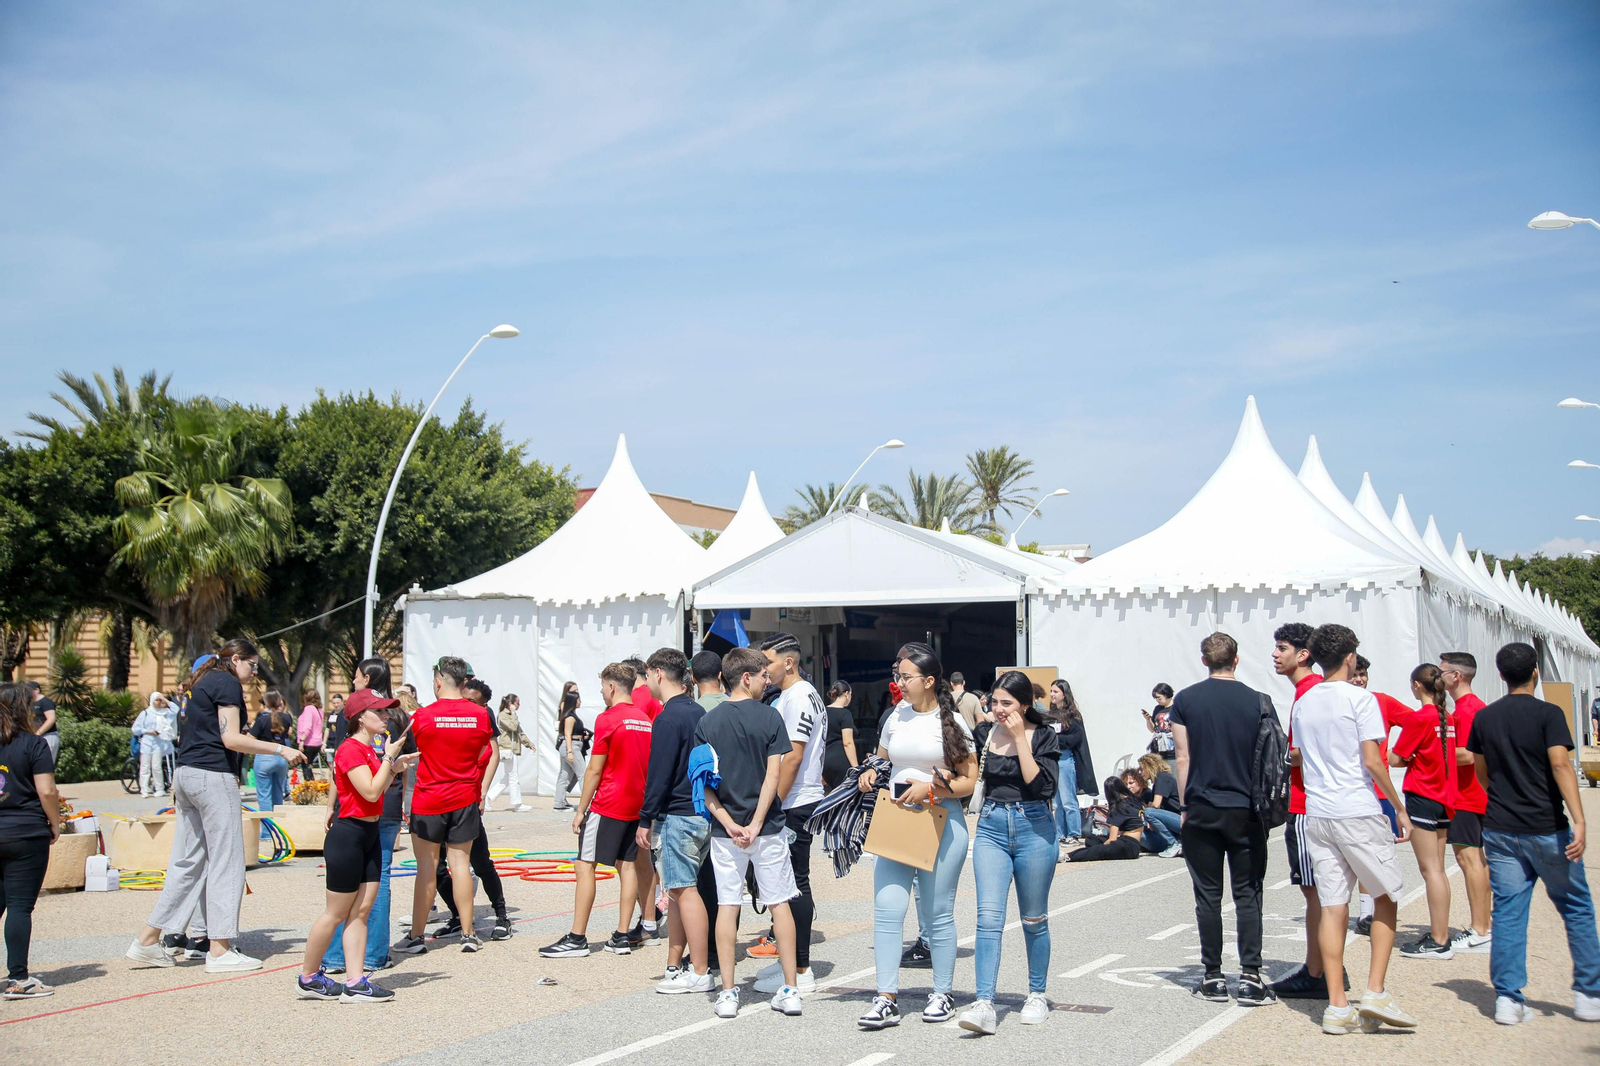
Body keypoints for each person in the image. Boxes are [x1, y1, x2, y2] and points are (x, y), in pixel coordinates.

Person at [126, 640, 305, 973]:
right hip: (211, 776)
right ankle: (220, 950)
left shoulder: (201, 682)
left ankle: (148, 939)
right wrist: (280, 750)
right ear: (235, 659)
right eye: (252, 665)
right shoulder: (226, 682)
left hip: (186, 775)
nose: (255, 672)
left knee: (188, 862)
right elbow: (231, 739)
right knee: (227, 860)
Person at [1292, 623, 1416, 1035]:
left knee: (1333, 905)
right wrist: (1398, 808)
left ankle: (1336, 1004)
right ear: (1350, 658)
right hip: (1357, 809)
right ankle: (1376, 990)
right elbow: (1373, 760)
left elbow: (1298, 755)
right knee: (1385, 896)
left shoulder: (1304, 702)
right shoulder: (1361, 699)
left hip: (1319, 811)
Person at [1467, 642, 1600, 1026]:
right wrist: (1579, 817)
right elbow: (1560, 764)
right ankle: (1588, 992)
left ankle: (1508, 998)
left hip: (1500, 826)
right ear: (1536, 672)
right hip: (1545, 826)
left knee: (1508, 911)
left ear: (1501, 675)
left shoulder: (1486, 717)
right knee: (1575, 906)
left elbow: (1481, 771)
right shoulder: (1549, 713)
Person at [857, 642, 977, 1029]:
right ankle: (885, 996)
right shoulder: (896, 716)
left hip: (941, 821)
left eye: (906, 677)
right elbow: (882, 759)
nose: (900, 682)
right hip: (896, 820)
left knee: (937, 912)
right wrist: (870, 773)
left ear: (928, 681)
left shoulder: (952, 722)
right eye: (898, 675)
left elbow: (969, 781)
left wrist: (930, 788)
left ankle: (942, 992)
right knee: (887, 910)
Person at [693, 647, 802, 1018]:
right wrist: (756, 823)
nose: (766, 681)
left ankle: (727, 991)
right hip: (766, 827)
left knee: (727, 905)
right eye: (762, 675)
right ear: (745, 677)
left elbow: (703, 785)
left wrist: (727, 821)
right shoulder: (771, 718)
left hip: (726, 832)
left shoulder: (707, 722)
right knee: (779, 902)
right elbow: (774, 775)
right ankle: (790, 988)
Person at [1170, 632, 1276, 1007]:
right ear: (1236, 659)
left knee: (1208, 896)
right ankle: (1250, 975)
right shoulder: (1259, 701)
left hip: (1201, 806)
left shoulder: (1184, 700)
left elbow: (1181, 757)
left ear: (1204, 660)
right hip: (1246, 807)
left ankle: (1213, 975)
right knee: (1248, 893)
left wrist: (1184, 807)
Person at [958, 670, 1059, 1034]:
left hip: (1035, 826)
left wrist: (1019, 738)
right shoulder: (984, 733)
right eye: (994, 701)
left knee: (1034, 918)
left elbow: (1043, 786)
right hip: (991, 827)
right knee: (988, 918)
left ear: (1025, 705)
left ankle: (1037, 993)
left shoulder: (1044, 736)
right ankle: (984, 1001)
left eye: (1007, 703)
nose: (998, 710)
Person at [296, 693, 413, 1002]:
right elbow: (371, 791)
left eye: (387, 712)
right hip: (348, 836)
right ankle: (308, 977)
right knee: (336, 913)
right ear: (361, 716)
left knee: (361, 910)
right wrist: (389, 759)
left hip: (370, 833)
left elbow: (378, 788)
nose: (386, 717)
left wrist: (395, 765)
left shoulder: (368, 749)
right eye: (379, 711)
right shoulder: (350, 749)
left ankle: (356, 981)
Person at [541, 662, 653, 958]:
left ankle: (577, 938)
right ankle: (621, 934)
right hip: (636, 804)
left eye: (603, 686)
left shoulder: (609, 718)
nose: (602, 692)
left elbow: (593, 769)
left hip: (609, 802)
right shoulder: (644, 719)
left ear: (613, 687)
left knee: (584, 864)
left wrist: (581, 809)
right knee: (627, 866)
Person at [397, 656, 495, 956]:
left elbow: (407, 752)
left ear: (439, 681)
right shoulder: (480, 715)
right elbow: (485, 750)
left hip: (429, 799)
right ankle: (468, 933)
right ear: (464, 682)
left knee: (426, 869)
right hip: (464, 797)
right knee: (461, 865)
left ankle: (416, 937)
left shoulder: (423, 716)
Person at [326, 658, 413, 975]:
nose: (353, 680)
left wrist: (331, 806)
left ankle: (351, 958)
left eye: (356, 676)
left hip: (374, 806)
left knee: (364, 889)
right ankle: (362, 956)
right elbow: (348, 767)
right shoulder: (393, 716)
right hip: (374, 806)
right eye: (379, 711)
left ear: (365, 678)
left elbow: (395, 766)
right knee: (358, 890)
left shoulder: (361, 715)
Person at [751, 633, 828, 993]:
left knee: (796, 883)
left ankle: (800, 968)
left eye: (767, 662)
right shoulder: (792, 695)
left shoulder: (798, 697)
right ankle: (790, 962)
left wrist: (771, 807)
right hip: (794, 799)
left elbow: (793, 757)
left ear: (789, 662)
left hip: (795, 801)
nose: (763, 671)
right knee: (785, 882)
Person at [636, 648, 714, 994]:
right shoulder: (699, 711)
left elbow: (659, 773)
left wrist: (645, 817)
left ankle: (699, 969)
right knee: (681, 891)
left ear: (657, 674)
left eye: (647, 676)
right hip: (701, 811)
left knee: (684, 890)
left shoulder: (668, 718)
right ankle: (676, 962)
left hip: (679, 815)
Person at [1269, 621, 1338, 1000]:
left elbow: (1301, 754)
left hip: (1307, 803)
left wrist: (1283, 755)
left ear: (1303, 654)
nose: (1275, 654)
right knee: (1323, 892)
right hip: (1319, 803)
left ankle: (1318, 972)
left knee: (1316, 893)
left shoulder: (1309, 692)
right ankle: (1324, 967)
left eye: (1282, 647)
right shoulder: (1312, 691)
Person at [0, 682, 63, 999]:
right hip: (26, 831)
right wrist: (55, 823)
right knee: (19, 908)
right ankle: (18, 979)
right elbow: (47, 791)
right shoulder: (32, 744)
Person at [1392, 663, 1458, 961]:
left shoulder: (1421, 718)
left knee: (1429, 870)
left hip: (1422, 795)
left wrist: (1410, 757)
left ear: (1417, 685)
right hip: (1444, 797)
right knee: (1438, 869)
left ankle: (1439, 939)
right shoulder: (1448, 717)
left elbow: (1396, 758)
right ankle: (1439, 932)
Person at [1439, 652, 1492, 956]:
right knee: (1475, 861)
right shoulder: (1469, 707)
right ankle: (1482, 925)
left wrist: (1431, 750)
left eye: (1443, 671)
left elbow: (1469, 754)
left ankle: (1480, 929)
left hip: (1468, 796)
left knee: (1470, 861)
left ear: (1456, 676)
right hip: (1472, 796)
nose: (1440, 675)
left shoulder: (1468, 710)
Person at [1050, 679, 1094, 850]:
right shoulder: (1050, 715)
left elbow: (1076, 738)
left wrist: (1056, 739)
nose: (1052, 695)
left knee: (1068, 799)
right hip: (1053, 759)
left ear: (1064, 694)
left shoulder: (1073, 716)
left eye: (1055, 691)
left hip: (1066, 759)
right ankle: (1060, 833)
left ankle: (1074, 833)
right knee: (1056, 802)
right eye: (1051, 691)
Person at [250, 690, 298, 825]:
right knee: (278, 794)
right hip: (281, 757)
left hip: (264, 757)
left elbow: (251, 739)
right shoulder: (287, 718)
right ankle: (279, 828)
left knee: (264, 797)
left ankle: (266, 832)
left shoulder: (261, 719)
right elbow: (289, 732)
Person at [1067, 777, 1144, 861]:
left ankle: (1068, 856)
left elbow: (1112, 839)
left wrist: (1103, 847)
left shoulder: (1119, 806)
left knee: (1098, 850)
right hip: (1135, 843)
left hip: (1128, 846)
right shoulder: (1134, 800)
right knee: (1091, 839)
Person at [487, 693, 534, 813]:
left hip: (512, 749)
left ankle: (488, 797)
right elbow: (513, 727)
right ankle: (517, 803)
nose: (519, 705)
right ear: (510, 704)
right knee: (513, 777)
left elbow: (520, 732)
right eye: (517, 703)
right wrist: (513, 714)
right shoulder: (503, 715)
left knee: (508, 777)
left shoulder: (513, 716)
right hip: (506, 749)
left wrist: (529, 744)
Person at [1136, 753, 1183, 857]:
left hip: (1182, 820)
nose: (1139, 772)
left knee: (1149, 813)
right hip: (1174, 823)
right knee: (1140, 832)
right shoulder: (1156, 783)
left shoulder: (1162, 777)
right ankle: (1172, 844)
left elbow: (1155, 805)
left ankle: (1173, 843)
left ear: (1150, 766)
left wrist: (1147, 815)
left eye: (1141, 768)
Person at [132, 692, 173, 797]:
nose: (158, 702)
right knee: (145, 766)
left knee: (156, 766)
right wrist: (148, 731)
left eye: (160, 700)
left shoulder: (164, 713)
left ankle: (159, 788)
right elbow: (135, 729)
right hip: (146, 742)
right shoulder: (145, 713)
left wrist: (164, 699)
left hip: (158, 743)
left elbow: (175, 709)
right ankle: (144, 789)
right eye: (156, 700)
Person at [822, 680, 859, 791]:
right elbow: (847, 743)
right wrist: (856, 767)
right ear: (846, 694)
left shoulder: (822, 712)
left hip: (825, 762)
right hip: (841, 760)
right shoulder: (845, 714)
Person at [555, 684, 585, 811]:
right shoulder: (570, 716)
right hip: (571, 746)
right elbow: (567, 734)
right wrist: (570, 751)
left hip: (571, 745)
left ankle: (559, 803)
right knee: (583, 774)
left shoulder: (572, 715)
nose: (580, 702)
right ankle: (587, 803)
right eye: (578, 699)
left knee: (565, 774)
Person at [25, 681, 57, 769]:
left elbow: (51, 719)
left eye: (28, 690)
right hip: (34, 737)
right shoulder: (30, 704)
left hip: (48, 736)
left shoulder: (46, 702)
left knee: (46, 764)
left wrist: (38, 733)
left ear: (36, 690)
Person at [1143, 683, 1177, 756]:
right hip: (1157, 749)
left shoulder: (1177, 707)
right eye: (1156, 698)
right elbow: (1152, 729)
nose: (1157, 700)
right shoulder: (1158, 708)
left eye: (1159, 698)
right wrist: (1148, 720)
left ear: (1166, 695)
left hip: (1173, 750)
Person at [298, 692, 325, 772]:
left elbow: (308, 726)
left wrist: (302, 740)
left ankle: (309, 784)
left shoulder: (308, 708)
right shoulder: (319, 710)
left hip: (308, 742)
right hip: (317, 742)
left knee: (306, 767)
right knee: (309, 766)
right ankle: (311, 783)